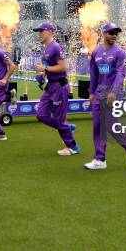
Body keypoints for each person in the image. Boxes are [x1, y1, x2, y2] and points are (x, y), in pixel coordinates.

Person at [84, 23, 126, 170]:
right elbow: (94, 74)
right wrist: (91, 92)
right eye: (111, 33)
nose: (114, 35)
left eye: (116, 33)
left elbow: (121, 74)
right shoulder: (96, 52)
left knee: (111, 126)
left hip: (114, 94)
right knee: (97, 127)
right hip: (99, 94)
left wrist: (114, 92)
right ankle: (100, 159)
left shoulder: (120, 53)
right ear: (104, 34)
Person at [33, 22, 80, 156]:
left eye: (42, 31)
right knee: (41, 115)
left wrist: (45, 69)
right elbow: (49, 67)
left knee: (59, 120)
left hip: (59, 86)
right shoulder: (46, 48)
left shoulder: (55, 47)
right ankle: (67, 127)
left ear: (51, 31)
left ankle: (73, 147)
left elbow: (64, 67)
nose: (40, 33)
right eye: (39, 31)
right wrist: (42, 75)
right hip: (51, 87)